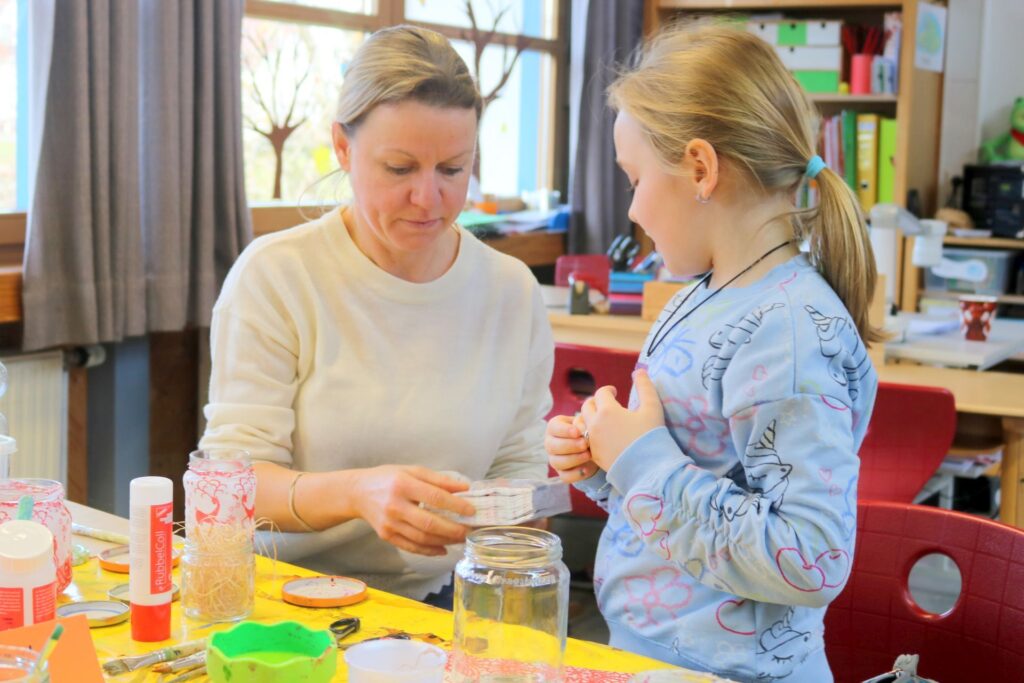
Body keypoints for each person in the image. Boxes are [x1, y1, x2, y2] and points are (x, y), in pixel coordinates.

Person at [546, 23, 879, 682]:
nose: (633, 210)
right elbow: (695, 496)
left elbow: (810, 555)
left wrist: (639, 458)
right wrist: (605, 462)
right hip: (656, 657)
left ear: (699, 167)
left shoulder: (786, 333)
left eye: (635, 179)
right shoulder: (704, 295)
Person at [200, 25, 554, 603]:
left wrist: (523, 511)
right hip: (285, 597)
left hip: (441, 597)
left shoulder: (510, 289)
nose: (428, 199)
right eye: (399, 168)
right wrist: (358, 493)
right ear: (343, 147)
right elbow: (231, 487)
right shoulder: (277, 276)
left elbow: (520, 464)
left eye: (452, 170)